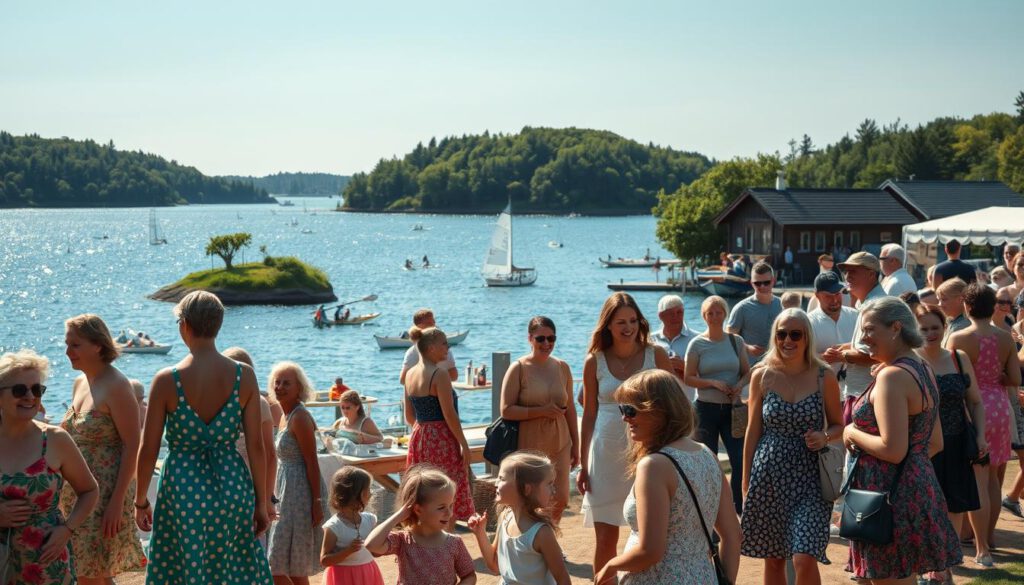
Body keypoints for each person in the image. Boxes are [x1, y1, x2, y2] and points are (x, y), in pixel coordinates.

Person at [135, 291, 272, 584]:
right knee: (234, 570)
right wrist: (261, 503)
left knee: (184, 571)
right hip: (232, 486)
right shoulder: (244, 376)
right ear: (218, 324)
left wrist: (140, 500)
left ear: (184, 325)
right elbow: (256, 447)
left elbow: (148, 449)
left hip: (182, 490)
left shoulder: (166, 380)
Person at [841, 297, 962, 582]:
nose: (864, 338)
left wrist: (852, 432)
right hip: (915, 489)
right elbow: (935, 442)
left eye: (870, 330)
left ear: (895, 328)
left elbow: (893, 449)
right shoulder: (922, 368)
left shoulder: (893, 376)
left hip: (886, 497)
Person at [596, 369, 741, 584]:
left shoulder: (654, 466)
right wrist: (725, 581)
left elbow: (650, 552)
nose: (624, 418)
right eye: (622, 409)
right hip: (703, 576)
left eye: (630, 410)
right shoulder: (706, 454)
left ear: (660, 411)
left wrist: (610, 565)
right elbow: (733, 535)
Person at [742, 309, 843, 583]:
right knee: (773, 559)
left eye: (795, 334)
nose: (788, 340)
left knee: (804, 555)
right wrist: (745, 481)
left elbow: (838, 424)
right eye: (782, 334)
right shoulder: (761, 375)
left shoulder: (825, 376)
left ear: (806, 337)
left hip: (810, 478)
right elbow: (753, 431)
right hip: (768, 477)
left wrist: (825, 436)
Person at [577, 292, 671, 576]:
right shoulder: (594, 361)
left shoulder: (656, 355)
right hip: (605, 455)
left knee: (649, 536)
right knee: (606, 540)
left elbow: (673, 406)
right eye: (620, 322)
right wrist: (583, 465)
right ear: (607, 325)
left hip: (649, 455)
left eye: (633, 320)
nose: (628, 327)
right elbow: (589, 414)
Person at [58, 314, 145, 584]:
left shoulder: (118, 386)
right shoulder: (80, 383)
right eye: (67, 344)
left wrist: (118, 503)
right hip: (77, 493)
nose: (67, 351)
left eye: (75, 345)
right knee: (89, 572)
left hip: (105, 494)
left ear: (97, 345)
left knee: (91, 573)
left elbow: (133, 445)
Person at [0, 349, 99, 585]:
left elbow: (89, 491)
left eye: (36, 390)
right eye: (19, 390)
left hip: (45, 564)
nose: (30, 397)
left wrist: (67, 529)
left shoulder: (55, 439)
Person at [946, 283, 1021, 564]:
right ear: (993, 307)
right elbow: (1014, 378)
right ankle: (987, 538)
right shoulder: (1004, 337)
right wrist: (996, 379)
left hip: (970, 408)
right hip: (1000, 408)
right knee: (993, 478)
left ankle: (978, 545)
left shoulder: (958, 337)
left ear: (966, 306)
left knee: (976, 477)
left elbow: (949, 379)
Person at [914, 303, 988, 578]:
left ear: (944, 328)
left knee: (954, 505)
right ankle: (929, 566)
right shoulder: (909, 361)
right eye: (924, 329)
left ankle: (943, 566)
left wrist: (980, 436)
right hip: (922, 448)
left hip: (957, 444)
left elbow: (977, 403)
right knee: (924, 507)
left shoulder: (959, 358)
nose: (930, 333)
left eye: (935, 327)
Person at [499, 316, 580, 522]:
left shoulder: (562, 367)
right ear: (530, 339)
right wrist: (542, 410)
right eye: (540, 339)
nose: (546, 344)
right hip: (530, 445)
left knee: (560, 498)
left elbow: (570, 408)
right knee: (533, 501)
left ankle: (548, 541)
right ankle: (533, 544)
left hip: (560, 442)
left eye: (551, 338)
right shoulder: (518, 368)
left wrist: (576, 445)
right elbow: (506, 410)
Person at [685, 295, 751, 515]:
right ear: (704, 316)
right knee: (708, 462)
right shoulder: (697, 344)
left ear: (725, 314)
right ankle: (710, 508)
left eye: (718, 312)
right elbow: (688, 378)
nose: (714, 316)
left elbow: (747, 372)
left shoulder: (736, 341)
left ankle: (736, 508)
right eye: (710, 313)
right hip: (706, 409)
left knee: (739, 459)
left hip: (733, 410)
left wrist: (739, 386)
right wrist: (712, 382)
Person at [468, 451, 571, 585]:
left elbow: (562, 578)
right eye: (549, 484)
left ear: (525, 489)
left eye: (502, 479)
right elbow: (494, 565)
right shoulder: (505, 517)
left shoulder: (541, 533)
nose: (496, 483)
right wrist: (480, 532)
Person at [403, 327, 474, 520]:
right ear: (432, 347)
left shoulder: (409, 375)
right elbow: (449, 414)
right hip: (441, 438)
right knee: (446, 493)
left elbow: (409, 417)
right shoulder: (439, 374)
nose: (448, 347)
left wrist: (423, 431)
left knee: (425, 494)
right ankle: (445, 543)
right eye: (444, 343)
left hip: (419, 436)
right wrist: (464, 445)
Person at [267, 361, 328, 584]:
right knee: (291, 565)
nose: (280, 387)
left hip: (300, 492)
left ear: (299, 389)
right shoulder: (285, 416)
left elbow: (311, 461)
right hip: (287, 490)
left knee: (280, 565)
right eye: (277, 382)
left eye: (287, 383)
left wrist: (317, 501)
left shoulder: (300, 417)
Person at [365, 464, 477, 584]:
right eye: (441, 507)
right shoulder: (403, 541)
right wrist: (399, 516)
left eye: (451, 505)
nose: (449, 513)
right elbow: (371, 545)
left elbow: (469, 576)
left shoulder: (455, 543)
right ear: (418, 510)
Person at [825, 251, 888, 424]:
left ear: (871, 274)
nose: (847, 276)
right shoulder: (869, 303)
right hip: (863, 393)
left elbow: (872, 355)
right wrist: (844, 347)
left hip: (866, 395)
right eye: (846, 271)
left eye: (854, 271)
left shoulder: (875, 306)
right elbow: (867, 346)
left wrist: (840, 356)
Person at [222, 346, 278, 533]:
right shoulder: (258, 403)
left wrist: (268, 498)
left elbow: (270, 455)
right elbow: (269, 454)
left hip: (238, 489)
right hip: (244, 490)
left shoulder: (259, 404)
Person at [319, 467, 385, 585]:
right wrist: (348, 551)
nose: (371, 493)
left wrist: (379, 546)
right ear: (356, 494)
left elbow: (377, 552)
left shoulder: (370, 520)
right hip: (343, 577)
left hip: (368, 573)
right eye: (368, 489)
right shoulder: (334, 526)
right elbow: (324, 560)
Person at [726, 262, 783, 364]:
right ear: (752, 283)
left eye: (766, 282)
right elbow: (729, 338)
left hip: (778, 364)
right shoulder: (741, 308)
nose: (762, 286)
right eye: (757, 283)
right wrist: (747, 348)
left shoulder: (782, 305)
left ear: (773, 281)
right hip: (751, 367)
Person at [808, 272, 858, 375]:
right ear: (817, 296)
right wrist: (822, 357)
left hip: (854, 387)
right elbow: (799, 357)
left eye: (837, 294)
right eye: (828, 296)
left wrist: (850, 348)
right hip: (823, 386)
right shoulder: (808, 322)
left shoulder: (855, 316)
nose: (834, 300)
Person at [650, 294, 695, 401]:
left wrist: (686, 368)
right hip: (658, 403)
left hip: (688, 402)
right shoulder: (650, 340)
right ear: (660, 316)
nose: (676, 317)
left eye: (679, 312)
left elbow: (708, 374)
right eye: (671, 313)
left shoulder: (697, 339)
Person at [399, 309, 458, 384]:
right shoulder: (412, 352)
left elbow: (454, 376)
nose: (434, 325)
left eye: (434, 322)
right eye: (429, 323)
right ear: (419, 327)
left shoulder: (444, 350)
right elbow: (403, 380)